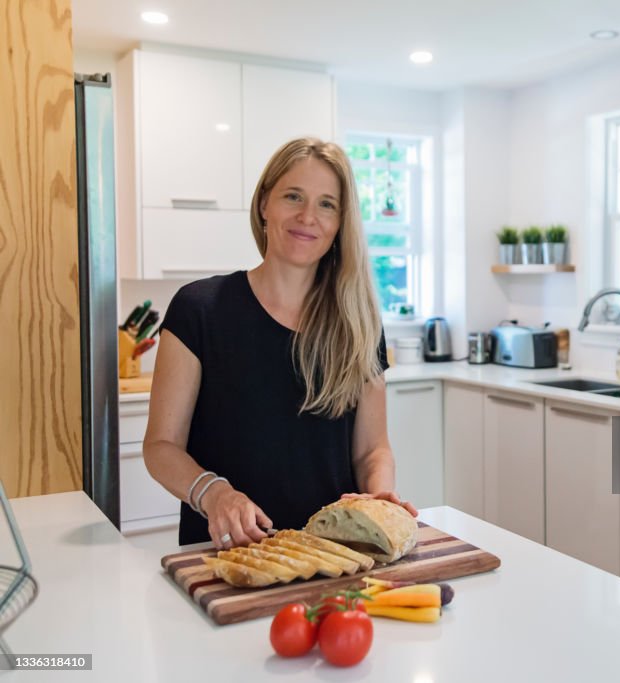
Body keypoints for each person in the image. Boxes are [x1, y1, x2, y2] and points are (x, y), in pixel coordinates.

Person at [143, 137, 416, 549]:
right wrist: (214, 493)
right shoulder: (199, 309)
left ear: (341, 223)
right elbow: (161, 447)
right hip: (229, 554)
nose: (309, 216)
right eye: (294, 196)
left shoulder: (358, 324)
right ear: (264, 203)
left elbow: (372, 450)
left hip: (335, 553)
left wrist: (378, 494)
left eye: (327, 204)